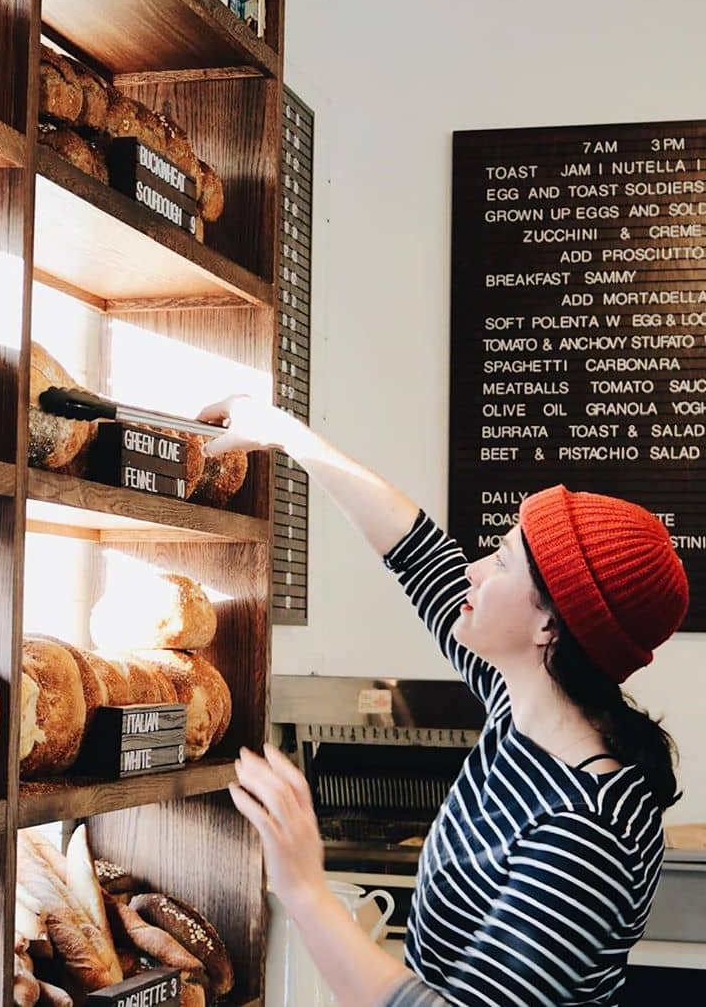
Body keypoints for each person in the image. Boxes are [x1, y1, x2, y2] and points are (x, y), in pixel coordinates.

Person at [198, 395, 688, 1007]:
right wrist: (289, 435)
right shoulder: (519, 708)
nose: (475, 571)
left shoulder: (586, 830)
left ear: (549, 628)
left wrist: (303, 886)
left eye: (502, 561)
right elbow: (416, 551)